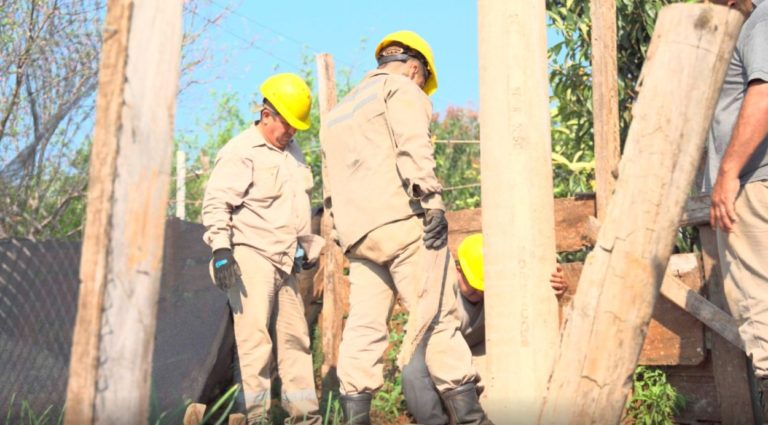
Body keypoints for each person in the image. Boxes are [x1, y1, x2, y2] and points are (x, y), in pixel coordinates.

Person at [320, 31, 491, 424]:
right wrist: (432, 204)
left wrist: (341, 234)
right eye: (421, 80)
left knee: (363, 332)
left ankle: (355, 418)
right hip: (401, 224)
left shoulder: (339, 113)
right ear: (415, 68)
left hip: (358, 236)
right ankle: (472, 419)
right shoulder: (402, 90)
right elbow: (413, 146)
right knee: (436, 318)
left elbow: (331, 189)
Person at [201, 73, 324, 425]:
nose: (292, 132)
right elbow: (216, 204)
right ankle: (255, 418)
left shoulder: (294, 153)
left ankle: (306, 418)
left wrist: (302, 247)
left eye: (297, 127)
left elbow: (298, 206)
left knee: (296, 341)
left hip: (285, 260)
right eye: (287, 123)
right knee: (256, 343)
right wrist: (221, 250)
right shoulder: (241, 151)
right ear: (266, 114)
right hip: (251, 255)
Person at [401, 234, 568, 424]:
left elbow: (532, 309)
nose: (479, 292)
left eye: (483, 288)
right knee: (413, 372)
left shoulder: (498, 290)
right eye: (474, 286)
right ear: (458, 271)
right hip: (436, 350)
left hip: (478, 352)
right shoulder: (441, 292)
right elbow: (418, 345)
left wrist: (556, 290)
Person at [706, 0, 768, 415]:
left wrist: (728, 172)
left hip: (754, 184)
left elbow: (764, 92)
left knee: (759, 304)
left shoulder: (761, 20)